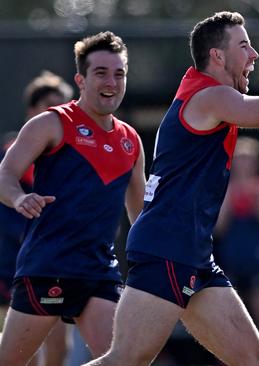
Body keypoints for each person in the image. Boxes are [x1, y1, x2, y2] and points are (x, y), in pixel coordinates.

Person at [85, 10, 259, 366]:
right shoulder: (209, 96)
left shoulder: (217, 99)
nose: (254, 55)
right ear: (217, 56)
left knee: (254, 361)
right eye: (245, 46)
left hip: (193, 255)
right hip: (167, 249)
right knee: (125, 360)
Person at [0, 31, 146, 365]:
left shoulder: (130, 140)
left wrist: (162, 258)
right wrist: (18, 198)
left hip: (99, 271)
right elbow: (4, 176)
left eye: (119, 74)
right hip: (47, 267)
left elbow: (141, 215)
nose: (111, 82)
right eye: (101, 73)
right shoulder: (51, 123)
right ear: (80, 79)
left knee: (123, 360)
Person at [0, 71, 74, 366]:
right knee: (19, 353)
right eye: (48, 107)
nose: (56, 115)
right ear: (32, 112)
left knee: (59, 349)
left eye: (63, 108)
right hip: (9, 272)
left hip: (54, 268)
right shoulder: (10, 159)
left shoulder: (74, 163)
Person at [212, 136, 259, 341]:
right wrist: (233, 195)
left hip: (258, 258)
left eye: (249, 159)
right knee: (229, 318)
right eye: (240, 159)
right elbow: (218, 228)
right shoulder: (224, 186)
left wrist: (256, 199)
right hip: (230, 258)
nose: (245, 164)